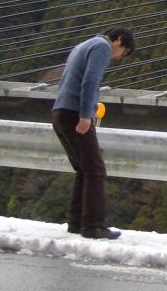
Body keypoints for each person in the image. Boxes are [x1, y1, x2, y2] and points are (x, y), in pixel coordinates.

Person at [51, 28, 136, 239]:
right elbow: (90, 81)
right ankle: (93, 226)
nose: (118, 57)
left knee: (84, 168)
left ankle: (76, 223)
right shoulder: (101, 47)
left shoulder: (84, 45)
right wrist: (86, 114)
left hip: (60, 111)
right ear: (119, 40)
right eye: (123, 52)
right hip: (74, 113)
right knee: (96, 169)